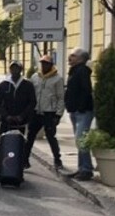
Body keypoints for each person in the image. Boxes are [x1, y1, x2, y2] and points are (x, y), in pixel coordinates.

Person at [0, 61, 36, 180]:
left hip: (21, 121)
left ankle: (18, 170)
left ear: (21, 70)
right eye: (12, 68)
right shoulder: (4, 85)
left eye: (17, 68)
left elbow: (32, 102)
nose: (14, 70)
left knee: (20, 145)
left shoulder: (27, 85)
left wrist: (23, 115)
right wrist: (5, 115)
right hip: (6, 121)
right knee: (2, 145)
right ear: (10, 70)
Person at [25, 55, 65, 170]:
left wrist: (58, 114)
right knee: (30, 136)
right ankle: (25, 160)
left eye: (46, 63)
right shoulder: (35, 77)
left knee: (51, 137)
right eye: (42, 63)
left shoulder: (57, 79)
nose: (44, 65)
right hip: (36, 112)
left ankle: (57, 160)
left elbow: (60, 97)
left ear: (51, 65)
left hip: (49, 112)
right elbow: (30, 94)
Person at [65, 48, 95, 181]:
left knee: (81, 140)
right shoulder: (75, 70)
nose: (70, 58)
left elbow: (86, 90)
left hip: (82, 112)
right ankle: (81, 168)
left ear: (81, 59)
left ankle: (87, 169)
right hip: (75, 111)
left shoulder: (82, 71)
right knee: (79, 141)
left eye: (73, 56)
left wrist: (81, 107)